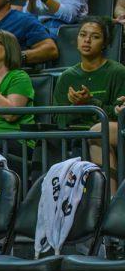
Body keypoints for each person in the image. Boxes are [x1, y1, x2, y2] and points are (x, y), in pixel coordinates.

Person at [54, 17, 125, 167]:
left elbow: (118, 114)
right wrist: (75, 106)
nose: (87, 40)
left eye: (95, 37)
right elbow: (58, 119)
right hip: (75, 138)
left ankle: (108, 191)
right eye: (83, 35)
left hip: (107, 134)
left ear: (105, 43)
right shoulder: (66, 77)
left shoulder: (118, 72)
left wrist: (90, 103)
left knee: (97, 135)